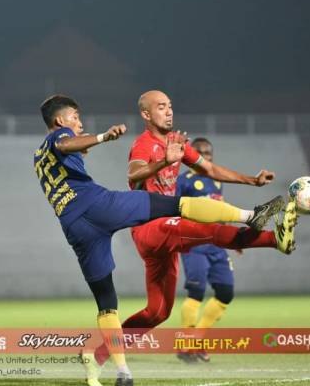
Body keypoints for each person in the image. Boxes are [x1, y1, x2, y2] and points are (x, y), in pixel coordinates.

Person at [34, 95, 295, 386]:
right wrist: (103, 137)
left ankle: (106, 365)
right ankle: (264, 229)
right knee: (190, 216)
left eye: (170, 106)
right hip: (142, 224)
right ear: (146, 114)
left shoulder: (40, 154)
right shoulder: (139, 143)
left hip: (75, 225)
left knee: (151, 310)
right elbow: (117, 165)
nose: (169, 111)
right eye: (162, 107)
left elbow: (208, 169)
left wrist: (251, 180)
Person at [175, 137, 237, 363]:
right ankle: (186, 345)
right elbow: (172, 210)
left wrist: (232, 239)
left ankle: (198, 340)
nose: (205, 156)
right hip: (194, 245)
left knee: (225, 293)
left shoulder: (218, 180)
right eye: (199, 152)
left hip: (218, 245)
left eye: (208, 152)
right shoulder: (183, 182)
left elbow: (220, 211)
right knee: (196, 292)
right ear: (190, 157)